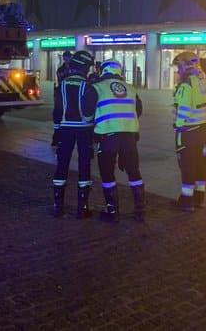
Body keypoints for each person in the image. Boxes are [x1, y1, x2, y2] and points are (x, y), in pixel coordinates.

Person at [83, 59, 144, 222]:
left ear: (103, 70)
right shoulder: (131, 88)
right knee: (134, 171)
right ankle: (140, 211)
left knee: (107, 173)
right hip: (129, 137)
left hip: (108, 137)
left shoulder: (97, 87)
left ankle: (112, 212)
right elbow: (139, 110)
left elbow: (87, 113)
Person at [51, 50, 97, 218]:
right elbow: (89, 111)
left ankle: (58, 207)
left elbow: (57, 110)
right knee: (84, 166)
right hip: (84, 130)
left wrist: (56, 130)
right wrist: (90, 125)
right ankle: (82, 209)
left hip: (65, 129)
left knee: (61, 165)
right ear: (85, 68)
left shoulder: (61, 85)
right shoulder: (87, 86)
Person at [171, 51, 206, 212]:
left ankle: (186, 200)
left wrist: (178, 124)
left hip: (187, 131)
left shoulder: (186, 84)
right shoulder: (201, 80)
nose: (177, 70)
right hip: (202, 128)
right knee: (200, 164)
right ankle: (199, 198)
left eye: (178, 66)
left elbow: (184, 108)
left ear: (184, 65)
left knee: (187, 165)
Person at [52, 50, 73, 147]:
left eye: (68, 57)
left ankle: (62, 136)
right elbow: (61, 79)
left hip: (70, 93)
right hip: (63, 92)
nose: (67, 59)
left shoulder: (74, 68)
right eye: (66, 57)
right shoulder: (61, 69)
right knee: (59, 114)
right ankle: (57, 138)